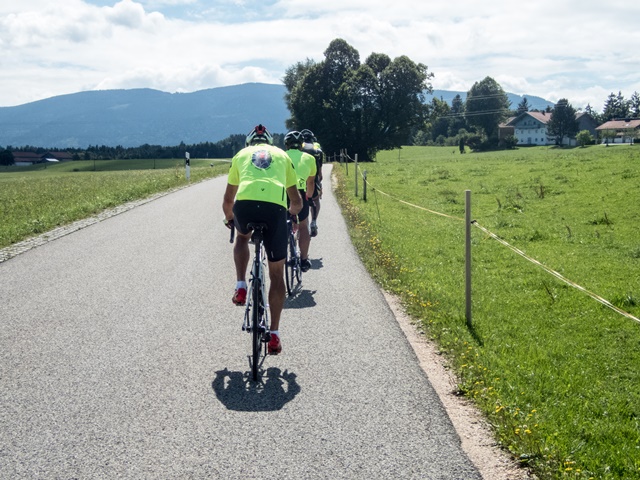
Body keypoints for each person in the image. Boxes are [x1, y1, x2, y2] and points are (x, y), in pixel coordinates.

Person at [222, 124, 302, 355]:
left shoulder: (240, 155)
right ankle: (274, 335)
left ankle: (240, 286)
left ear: (250, 143)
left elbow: (228, 200)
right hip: (274, 210)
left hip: (245, 206)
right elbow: (296, 201)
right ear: (270, 143)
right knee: (277, 274)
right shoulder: (283, 156)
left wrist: (230, 219)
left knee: (241, 237)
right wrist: (292, 215)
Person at [283, 130, 317, 272]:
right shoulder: (310, 158)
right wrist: (308, 197)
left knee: (281, 225)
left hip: (283, 193)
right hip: (301, 193)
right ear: (302, 144)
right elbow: (311, 182)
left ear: (286, 145)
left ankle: (281, 257)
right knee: (303, 226)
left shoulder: (281, 156)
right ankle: (303, 260)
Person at [300, 129, 324, 237]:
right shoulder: (317, 148)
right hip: (313, 179)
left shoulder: (299, 147)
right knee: (315, 200)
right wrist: (319, 179)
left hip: (300, 178)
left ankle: (301, 223)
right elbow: (320, 170)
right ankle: (313, 221)